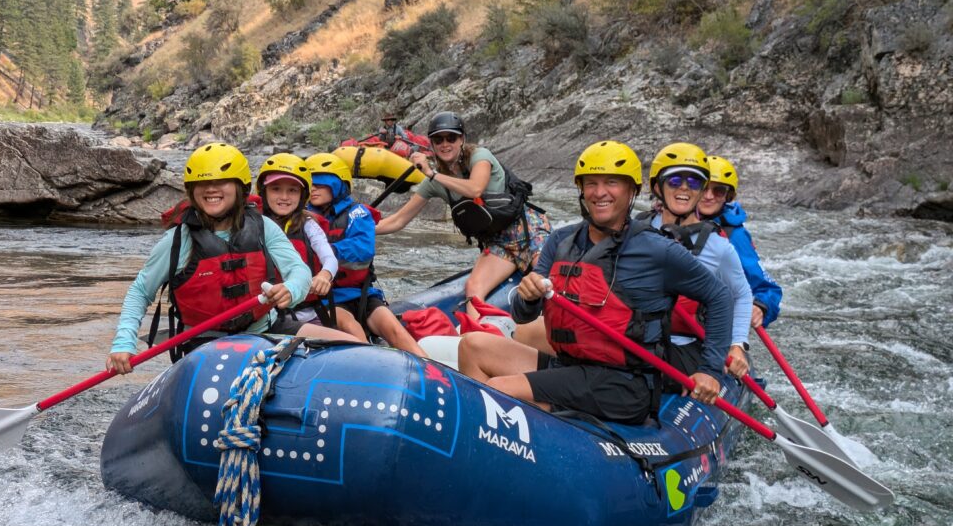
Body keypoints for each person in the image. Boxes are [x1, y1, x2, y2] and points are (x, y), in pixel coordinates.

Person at [457, 140, 732, 424]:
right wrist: (527, 297)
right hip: (569, 365)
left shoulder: (659, 250)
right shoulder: (560, 241)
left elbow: (719, 297)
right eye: (591, 183)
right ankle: (489, 440)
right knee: (473, 345)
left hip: (622, 384)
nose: (599, 193)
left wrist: (710, 369)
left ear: (632, 191)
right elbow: (522, 315)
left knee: (497, 391)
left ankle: (512, 436)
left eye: (612, 183)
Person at [106, 143, 312, 374]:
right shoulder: (178, 240)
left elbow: (300, 271)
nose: (211, 189)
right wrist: (124, 342)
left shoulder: (264, 227)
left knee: (345, 345)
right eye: (203, 183)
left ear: (240, 188)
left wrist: (291, 289)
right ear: (192, 190)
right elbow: (141, 292)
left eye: (221, 181)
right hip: (205, 341)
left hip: (265, 327)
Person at [376, 111, 551, 320]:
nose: (445, 144)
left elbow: (475, 189)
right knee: (473, 288)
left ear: (462, 139)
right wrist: (359, 230)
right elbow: (398, 220)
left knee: (544, 281)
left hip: (529, 231)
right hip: (499, 243)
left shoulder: (480, 156)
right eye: (438, 139)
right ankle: (478, 337)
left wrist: (432, 174)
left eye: (451, 137)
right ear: (431, 144)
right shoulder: (434, 184)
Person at [640, 142, 752, 380]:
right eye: (674, 181)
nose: (684, 188)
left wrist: (737, 345)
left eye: (693, 182)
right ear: (657, 187)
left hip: (684, 345)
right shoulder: (637, 229)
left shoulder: (719, 247)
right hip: (635, 336)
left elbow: (741, 295)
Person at [305, 151, 428, 357]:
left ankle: (434, 374)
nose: (313, 189)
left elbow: (363, 248)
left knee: (395, 330)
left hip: (362, 294)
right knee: (351, 327)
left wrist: (328, 250)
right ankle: (370, 365)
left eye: (319, 184)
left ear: (338, 185)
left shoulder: (357, 214)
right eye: (309, 185)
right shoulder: (303, 218)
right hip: (329, 298)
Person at [256, 153, 366, 343]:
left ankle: (371, 358)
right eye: (275, 189)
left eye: (292, 190)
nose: (284, 197)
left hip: (307, 308)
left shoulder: (308, 224)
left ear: (302, 196)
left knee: (349, 325)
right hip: (270, 315)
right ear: (263, 192)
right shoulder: (252, 224)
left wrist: (325, 275)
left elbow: (329, 258)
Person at [697, 155, 782, 328]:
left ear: (728, 196)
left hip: (708, 327)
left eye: (718, 191)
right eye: (703, 188)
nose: (708, 196)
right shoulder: (667, 220)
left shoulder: (734, 235)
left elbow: (768, 288)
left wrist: (760, 306)